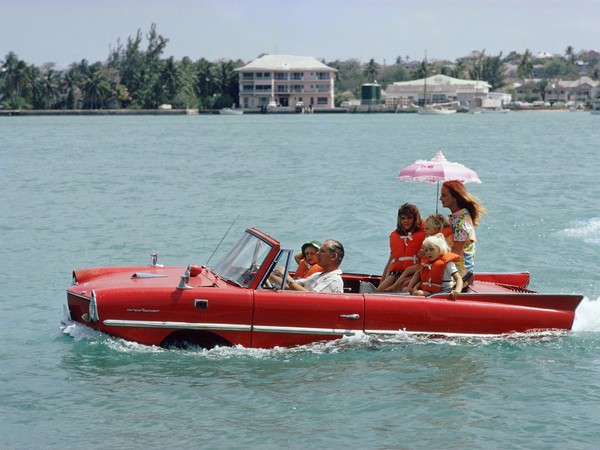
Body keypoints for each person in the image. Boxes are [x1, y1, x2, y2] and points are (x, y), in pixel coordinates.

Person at [384, 213, 451, 292]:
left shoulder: (438, 240)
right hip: (425, 263)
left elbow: (439, 253)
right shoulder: (430, 238)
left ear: (436, 229)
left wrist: (425, 253)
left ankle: (407, 287)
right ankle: (397, 286)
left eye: (427, 229)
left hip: (431, 265)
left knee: (411, 273)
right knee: (409, 271)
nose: (424, 230)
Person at [439, 180, 487, 276]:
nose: (440, 198)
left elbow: (455, 255)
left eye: (444, 195)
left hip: (459, 275)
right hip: (453, 270)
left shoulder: (461, 224)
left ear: (455, 198)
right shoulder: (456, 218)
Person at [376, 203, 425, 292]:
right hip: (395, 274)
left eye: (409, 218)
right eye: (403, 218)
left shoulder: (424, 235)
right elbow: (390, 261)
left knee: (403, 285)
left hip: (412, 273)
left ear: (415, 219)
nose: (406, 221)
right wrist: (382, 281)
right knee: (379, 291)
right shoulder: (396, 235)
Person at [272, 239, 345, 293]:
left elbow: (311, 296)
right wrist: (270, 275)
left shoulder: (334, 280)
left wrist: (287, 277)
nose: (318, 253)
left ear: (333, 256)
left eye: (322, 251)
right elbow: (291, 285)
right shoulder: (317, 275)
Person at [411, 233, 463, 300]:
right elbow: (423, 281)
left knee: (418, 294)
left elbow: (458, 279)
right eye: (426, 250)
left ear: (440, 249)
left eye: (431, 249)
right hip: (430, 291)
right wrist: (415, 288)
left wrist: (457, 291)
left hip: (444, 292)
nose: (428, 252)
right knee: (415, 292)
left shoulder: (448, 264)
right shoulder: (427, 264)